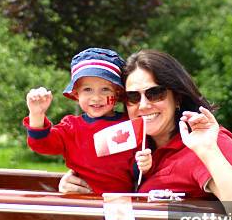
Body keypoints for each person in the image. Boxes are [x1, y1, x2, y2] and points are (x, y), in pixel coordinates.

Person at [59, 50, 232, 210]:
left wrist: (208, 151)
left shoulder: (206, 142)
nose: (143, 105)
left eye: (155, 93)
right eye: (132, 97)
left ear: (176, 97)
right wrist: (74, 186)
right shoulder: (132, 147)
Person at [23, 47, 152, 195]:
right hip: (81, 203)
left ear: (117, 94)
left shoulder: (130, 125)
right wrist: (36, 114)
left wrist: (144, 165)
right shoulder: (71, 127)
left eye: (105, 89)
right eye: (87, 90)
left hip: (120, 204)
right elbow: (42, 144)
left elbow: (138, 170)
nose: (96, 97)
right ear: (76, 94)